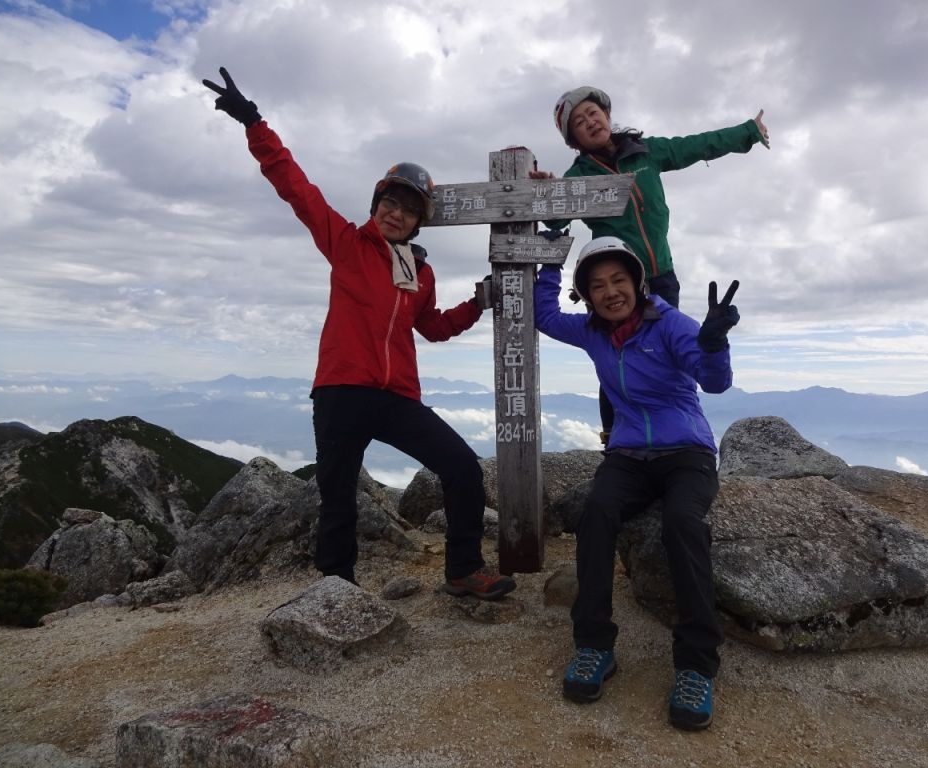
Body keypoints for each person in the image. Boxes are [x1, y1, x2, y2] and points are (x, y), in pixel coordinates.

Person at [202, 67, 515, 600]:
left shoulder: (419, 271)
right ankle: (337, 590)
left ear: (420, 221)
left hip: (396, 397)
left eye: (409, 208)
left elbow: (431, 328)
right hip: (342, 390)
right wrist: (254, 123)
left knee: (461, 466)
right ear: (376, 206)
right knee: (338, 496)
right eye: (390, 203)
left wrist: (478, 303)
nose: (397, 213)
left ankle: (463, 570)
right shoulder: (345, 243)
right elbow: (295, 188)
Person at [534, 236, 739, 731]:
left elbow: (714, 382)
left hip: (686, 453)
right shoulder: (591, 331)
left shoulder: (668, 323)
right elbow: (542, 314)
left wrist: (713, 345)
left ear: (637, 283)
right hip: (627, 454)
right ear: (587, 295)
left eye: (618, 280)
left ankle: (696, 665)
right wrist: (551, 261)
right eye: (597, 285)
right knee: (595, 516)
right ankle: (594, 647)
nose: (609, 292)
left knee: (682, 523)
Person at [530, 86, 767, 445]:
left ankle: (681, 437)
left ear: (607, 115)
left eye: (593, 113)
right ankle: (615, 441)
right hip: (617, 285)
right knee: (618, 359)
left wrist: (747, 131)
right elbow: (556, 224)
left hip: (661, 279)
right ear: (573, 140)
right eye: (579, 122)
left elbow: (697, 145)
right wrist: (549, 193)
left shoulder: (647, 152)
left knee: (670, 353)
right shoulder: (578, 177)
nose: (590, 122)